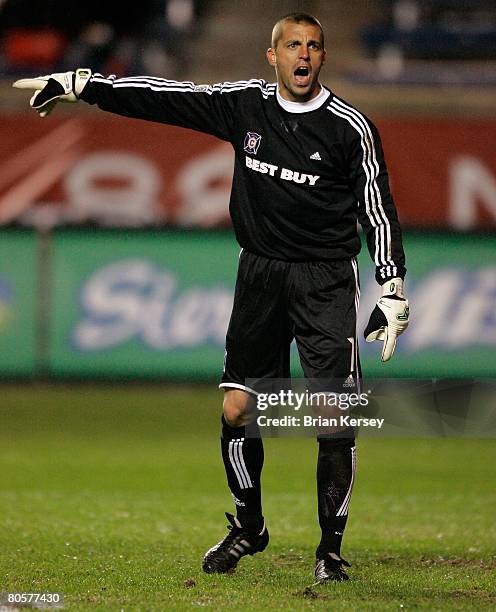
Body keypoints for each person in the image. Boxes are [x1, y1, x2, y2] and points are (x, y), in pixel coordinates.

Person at [13, 12, 410, 583]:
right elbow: (165, 96)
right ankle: (249, 527)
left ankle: (330, 550)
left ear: (323, 58)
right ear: (271, 55)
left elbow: (379, 209)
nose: (304, 54)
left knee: (333, 415)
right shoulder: (245, 105)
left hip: (325, 280)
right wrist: (83, 84)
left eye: (314, 46)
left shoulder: (351, 128)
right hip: (260, 276)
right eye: (292, 44)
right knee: (236, 408)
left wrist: (391, 284)